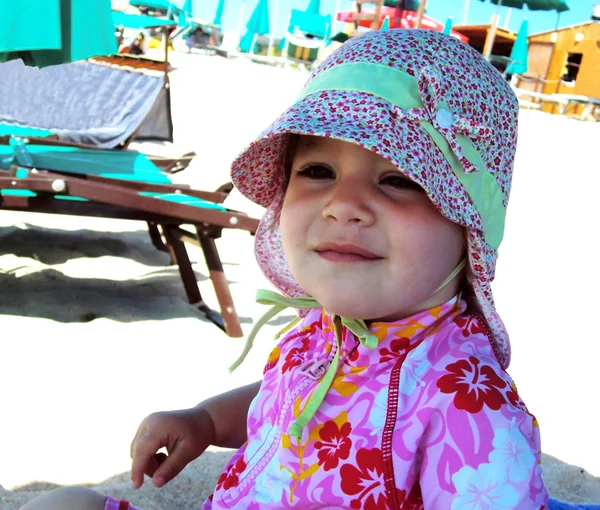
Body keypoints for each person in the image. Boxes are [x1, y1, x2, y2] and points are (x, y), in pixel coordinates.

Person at [20, 29, 549, 509]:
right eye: (318, 171)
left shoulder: (466, 402)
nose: (343, 206)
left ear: (469, 225)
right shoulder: (324, 330)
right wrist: (205, 420)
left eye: (400, 179)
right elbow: (282, 395)